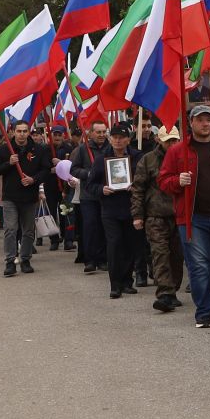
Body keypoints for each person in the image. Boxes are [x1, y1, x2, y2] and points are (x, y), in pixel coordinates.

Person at [162, 103, 210, 328]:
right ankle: (204, 312)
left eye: (209, 119)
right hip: (192, 218)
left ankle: (205, 294)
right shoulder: (177, 150)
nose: (205, 123)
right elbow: (163, 181)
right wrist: (177, 181)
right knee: (199, 266)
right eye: (200, 119)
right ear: (191, 123)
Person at [82, 123, 138, 298]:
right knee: (114, 245)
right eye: (115, 137)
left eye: (122, 137)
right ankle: (115, 284)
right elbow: (90, 185)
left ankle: (128, 281)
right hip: (110, 209)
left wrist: (136, 185)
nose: (118, 141)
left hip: (131, 207)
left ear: (128, 139)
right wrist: (102, 190)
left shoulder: (137, 157)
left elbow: (145, 180)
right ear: (110, 139)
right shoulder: (100, 160)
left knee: (129, 245)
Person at [0, 120, 52, 276]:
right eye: (19, 131)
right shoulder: (5, 149)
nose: (22, 134)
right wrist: (8, 163)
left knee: (28, 230)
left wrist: (34, 179)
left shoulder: (39, 149)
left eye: (25, 131)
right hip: (10, 196)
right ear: (13, 132)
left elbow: (46, 169)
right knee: (10, 229)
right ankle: (10, 261)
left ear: (28, 132)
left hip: (30, 196)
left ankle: (25, 259)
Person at [134, 124, 184, 312]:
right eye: (167, 141)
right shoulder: (148, 160)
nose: (171, 144)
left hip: (179, 215)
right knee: (160, 254)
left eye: (174, 140)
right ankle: (165, 293)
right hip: (155, 216)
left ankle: (173, 288)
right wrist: (137, 215)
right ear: (159, 140)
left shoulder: (184, 157)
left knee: (177, 256)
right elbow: (138, 189)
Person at [71, 120, 113, 274]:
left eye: (104, 132)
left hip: (106, 194)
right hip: (88, 196)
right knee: (90, 227)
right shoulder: (83, 149)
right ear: (91, 133)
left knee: (104, 228)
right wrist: (88, 174)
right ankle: (90, 260)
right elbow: (74, 169)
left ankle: (103, 259)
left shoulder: (111, 148)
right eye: (98, 132)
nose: (102, 135)